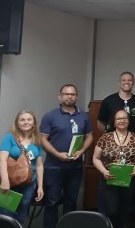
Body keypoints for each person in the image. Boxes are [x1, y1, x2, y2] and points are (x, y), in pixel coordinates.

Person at [40, 84, 93, 228]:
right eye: (66, 94)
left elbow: (89, 137)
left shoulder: (84, 116)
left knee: (71, 201)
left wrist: (81, 152)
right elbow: (43, 139)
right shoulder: (50, 116)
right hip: (54, 166)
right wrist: (57, 154)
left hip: (75, 167)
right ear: (60, 96)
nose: (69, 96)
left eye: (73, 94)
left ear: (76, 97)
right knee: (52, 201)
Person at [92, 109, 135, 227]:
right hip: (109, 179)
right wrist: (104, 171)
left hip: (128, 180)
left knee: (125, 212)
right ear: (114, 122)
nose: (121, 121)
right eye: (118, 118)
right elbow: (96, 158)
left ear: (129, 121)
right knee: (111, 211)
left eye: (124, 118)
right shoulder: (105, 137)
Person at [0, 110, 44, 225]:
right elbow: (1, 159)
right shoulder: (9, 137)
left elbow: (39, 165)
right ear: (17, 123)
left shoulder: (37, 141)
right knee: (6, 216)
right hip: (9, 183)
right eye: (22, 120)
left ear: (34, 123)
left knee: (21, 216)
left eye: (29, 119)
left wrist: (40, 186)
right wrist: (5, 180)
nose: (25, 122)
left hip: (28, 185)